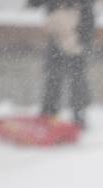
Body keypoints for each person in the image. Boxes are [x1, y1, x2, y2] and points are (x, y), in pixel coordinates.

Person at [29, 0, 95, 129]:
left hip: (76, 34)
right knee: (54, 77)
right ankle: (49, 113)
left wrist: (82, 39)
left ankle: (78, 115)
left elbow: (87, 13)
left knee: (76, 79)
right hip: (58, 36)